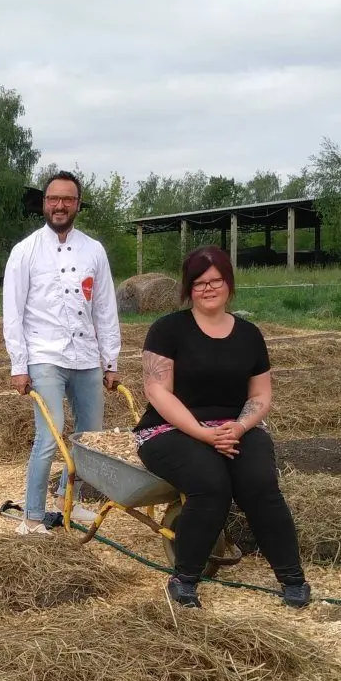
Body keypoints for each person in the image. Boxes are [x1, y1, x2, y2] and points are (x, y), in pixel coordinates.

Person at [134, 245, 310, 608]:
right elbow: (157, 391)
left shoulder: (249, 335)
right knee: (210, 484)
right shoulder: (167, 329)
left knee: (259, 484)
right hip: (171, 429)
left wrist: (239, 427)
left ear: (228, 283)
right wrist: (203, 433)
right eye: (199, 282)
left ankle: (292, 578)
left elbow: (260, 395)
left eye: (215, 281)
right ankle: (184, 579)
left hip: (236, 427)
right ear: (188, 288)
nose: (208, 288)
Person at [2, 171, 122, 534]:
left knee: (90, 436)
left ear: (78, 204)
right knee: (49, 434)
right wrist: (19, 365)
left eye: (67, 199)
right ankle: (32, 517)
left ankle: (67, 500)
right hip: (44, 355)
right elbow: (13, 312)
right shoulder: (25, 251)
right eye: (53, 199)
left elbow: (105, 308)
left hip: (85, 355)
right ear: (44, 203)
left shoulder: (93, 250)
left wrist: (111, 361)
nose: (60, 205)